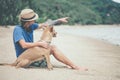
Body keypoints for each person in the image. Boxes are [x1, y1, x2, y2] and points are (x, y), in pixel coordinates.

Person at [13, 8, 87, 70]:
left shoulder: (31, 26)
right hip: (26, 57)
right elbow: (24, 45)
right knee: (53, 48)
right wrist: (39, 43)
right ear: (28, 22)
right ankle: (75, 66)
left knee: (50, 47)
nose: (34, 21)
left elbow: (46, 25)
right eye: (33, 20)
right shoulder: (18, 29)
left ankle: (71, 65)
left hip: (35, 52)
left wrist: (59, 20)